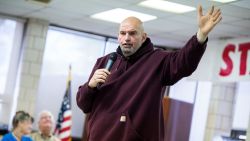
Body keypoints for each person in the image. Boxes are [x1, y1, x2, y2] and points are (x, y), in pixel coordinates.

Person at [76, 5, 222, 141]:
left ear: (143, 37)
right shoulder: (104, 62)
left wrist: (201, 35)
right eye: (123, 33)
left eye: (132, 33)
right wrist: (90, 86)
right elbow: (84, 105)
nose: (127, 38)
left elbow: (184, 62)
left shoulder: (158, 60)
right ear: (118, 37)